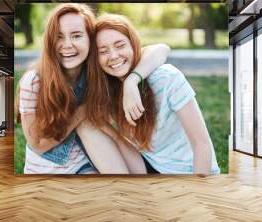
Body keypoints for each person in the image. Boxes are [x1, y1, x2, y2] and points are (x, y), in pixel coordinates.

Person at [17, 4, 170, 174]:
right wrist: (82, 112)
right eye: (59, 37)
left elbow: (161, 49)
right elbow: (37, 145)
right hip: (46, 167)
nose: (67, 44)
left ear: (90, 39)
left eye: (76, 36)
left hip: (86, 161)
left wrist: (131, 81)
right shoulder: (34, 81)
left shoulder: (98, 70)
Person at [89, 14, 220, 174]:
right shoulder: (108, 87)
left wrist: (131, 82)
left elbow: (201, 144)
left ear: (133, 45)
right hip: (148, 165)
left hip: (187, 171)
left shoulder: (166, 78)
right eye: (103, 51)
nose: (113, 56)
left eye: (120, 45)